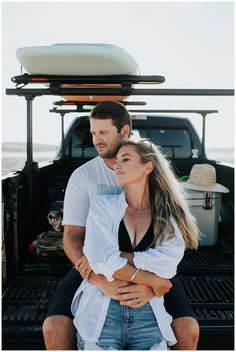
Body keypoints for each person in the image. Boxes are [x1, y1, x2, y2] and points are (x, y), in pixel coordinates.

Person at [43, 100, 200, 350]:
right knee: (54, 328)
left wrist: (151, 286)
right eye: (93, 133)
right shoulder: (84, 176)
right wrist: (97, 277)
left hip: (146, 263)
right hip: (92, 262)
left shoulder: (155, 178)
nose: (96, 140)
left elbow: (170, 246)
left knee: (188, 330)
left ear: (124, 131)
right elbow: (73, 236)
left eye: (103, 132)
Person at [71, 140, 199, 350]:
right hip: (103, 310)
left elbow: (167, 264)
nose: (116, 165)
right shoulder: (103, 205)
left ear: (148, 167)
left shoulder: (167, 214)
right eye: (116, 160)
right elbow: (101, 259)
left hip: (148, 310)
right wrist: (152, 280)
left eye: (126, 159)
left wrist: (121, 257)